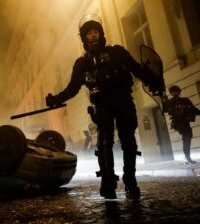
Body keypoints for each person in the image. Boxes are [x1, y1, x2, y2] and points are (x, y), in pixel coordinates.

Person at [45, 15, 162, 199]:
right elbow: (73, 88)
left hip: (123, 100)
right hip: (102, 104)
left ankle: (130, 182)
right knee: (104, 143)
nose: (93, 36)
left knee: (128, 142)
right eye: (89, 33)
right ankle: (108, 183)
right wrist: (55, 99)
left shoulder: (117, 52)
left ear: (101, 34)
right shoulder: (82, 63)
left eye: (95, 32)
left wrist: (151, 80)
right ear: (84, 38)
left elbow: (135, 68)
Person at [164, 85, 200, 164]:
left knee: (187, 138)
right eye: (173, 91)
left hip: (185, 122)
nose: (174, 92)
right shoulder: (169, 102)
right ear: (171, 93)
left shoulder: (185, 100)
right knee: (187, 137)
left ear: (179, 91)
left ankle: (186, 157)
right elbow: (164, 110)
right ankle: (187, 157)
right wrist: (164, 100)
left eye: (176, 91)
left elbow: (193, 108)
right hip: (178, 123)